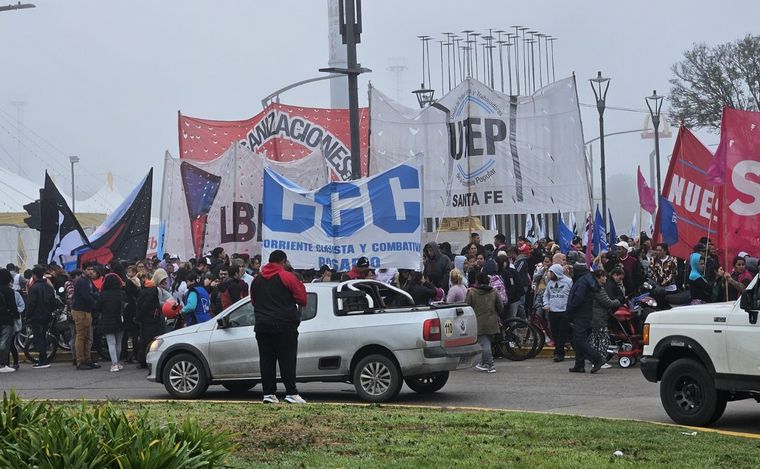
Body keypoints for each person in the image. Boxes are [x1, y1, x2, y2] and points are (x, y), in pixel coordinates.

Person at [250, 250, 308, 404]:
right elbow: (302, 299)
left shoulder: (256, 280)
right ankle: (291, 393)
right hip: (284, 325)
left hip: (262, 326)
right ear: (283, 261)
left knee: (266, 360)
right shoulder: (287, 276)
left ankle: (268, 394)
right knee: (287, 359)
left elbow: (253, 301)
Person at [566, 270, 607, 373]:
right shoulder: (587, 281)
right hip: (584, 313)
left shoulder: (582, 282)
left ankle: (597, 358)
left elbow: (578, 298)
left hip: (580, 314)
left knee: (579, 339)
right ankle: (579, 364)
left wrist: (570, 309)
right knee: (577, 339)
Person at [466, 272, 502, 373]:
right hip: (492, 322)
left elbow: (466, 306)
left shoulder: (472, 292)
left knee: (485, 345)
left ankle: (490, 364)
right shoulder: (494, 292)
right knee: (486, 343)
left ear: (477, 281)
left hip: (478, 323)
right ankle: (483, 363)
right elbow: (500, 307)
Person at [94, 273, 127, 372]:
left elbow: (97, 307)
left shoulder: (103, 295)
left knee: (111, 343)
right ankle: (118, 362)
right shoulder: (122, 293)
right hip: (120, 320)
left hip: (107, 320)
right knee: (119, 343)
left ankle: (114, 363)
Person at [72, 261, 101, 370]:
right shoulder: (81, 281)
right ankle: (80, 360)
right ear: (83, 270)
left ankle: (87, 359)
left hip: (87, 311)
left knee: (88, 337)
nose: (91, 272)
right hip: (80, 311)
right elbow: (86, 296)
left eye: (92, 270)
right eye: (88, 269)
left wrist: (95, 297)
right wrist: (96, 303)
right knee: (81, 336)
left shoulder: (88, 280)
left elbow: (95, 291)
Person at [26, 267, 57, 369]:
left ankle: (43, 360)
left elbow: (31, 304)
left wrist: (28, 316)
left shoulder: (34, 288)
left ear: (34, 275)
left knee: (39, 338)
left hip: (37, 316)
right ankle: (43, 360)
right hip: (47, 316)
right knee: (43, 337)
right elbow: (53, 302)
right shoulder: (48, 287)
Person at [543, 264, 573, 362]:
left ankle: (559, 354)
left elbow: (572, 295)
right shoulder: (550, 283)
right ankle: (559, 351)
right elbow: (546, 295)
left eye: (551, 272)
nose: (550, 274)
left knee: (562, 333)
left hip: (564, 311)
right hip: (553, 312)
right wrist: (546, 304)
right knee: (555, 333)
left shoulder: (568, 281)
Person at [0, 269, 20, 373]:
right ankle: (3, 364)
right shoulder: (9, 291)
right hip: (7, 319)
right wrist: (16, 316)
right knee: (5, 342)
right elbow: (13, 306)